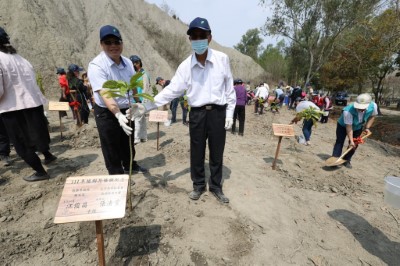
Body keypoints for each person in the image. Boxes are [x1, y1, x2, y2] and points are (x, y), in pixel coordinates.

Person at [129, 17, 236, 203]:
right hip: (197, 114)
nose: (198, 39)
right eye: (194, 36)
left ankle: (216, 187)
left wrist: (229, 113)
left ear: (210, 37)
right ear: (190, 40)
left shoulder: (222, 59)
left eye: (202, 35)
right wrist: (146, 106)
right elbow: (171, 91)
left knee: (217, 152)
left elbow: (229, 90)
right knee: (197, 151)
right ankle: (198, 185)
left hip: (218, 113)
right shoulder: (186, 66)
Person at [87, 25, 147, 175]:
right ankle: (116, 174)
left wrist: (137, 104)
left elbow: (133, 86)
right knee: (110, 144)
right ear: (101, 45)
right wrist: (117, 114)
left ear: (122, 43)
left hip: (127, 109)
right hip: (107, 112)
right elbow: (105, 93)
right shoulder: (96, 66)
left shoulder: (127, 63)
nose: (113, 46)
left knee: (128, 140)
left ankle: (129, 164)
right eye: (108, 42)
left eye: (117, 42)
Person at [0, 27, 57, 181]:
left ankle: (40, 172)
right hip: (33, 103)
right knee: (38, 134)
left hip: (13, 108)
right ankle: (48, 155)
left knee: (21, 144)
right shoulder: (20, 58)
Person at [331, 93, 377, 169]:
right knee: (339, 141)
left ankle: (347, 160)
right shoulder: (348, 111)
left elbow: (372, 116)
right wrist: (351, 140)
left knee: (355, 144)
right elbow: (349, 127)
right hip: (342, 126)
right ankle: (335, 158)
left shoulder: (373, 106)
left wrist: (367, 128)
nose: (360, 109)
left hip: (358, 127)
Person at [129, 55, 150, 144]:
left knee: (137, 119)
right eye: (132, 63)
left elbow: (146, 87)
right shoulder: (134, 74)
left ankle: (136, 138)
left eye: (135, 63)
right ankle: (143, 137)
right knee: (141, 119)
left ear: (138, 63)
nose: (134, 65)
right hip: (134, 99)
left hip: (140, 99)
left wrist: (144, 100)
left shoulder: (143, 74)